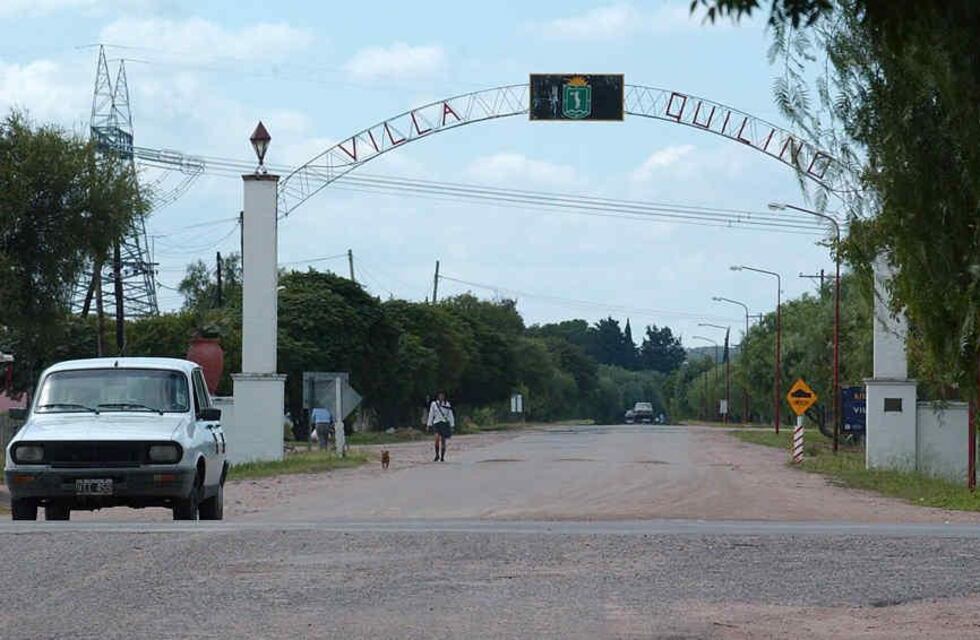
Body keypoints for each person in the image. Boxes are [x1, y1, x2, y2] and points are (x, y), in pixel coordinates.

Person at [426, 391, 455, 462]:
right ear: (438, 396)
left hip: (444, 423)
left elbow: (450, 415)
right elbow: (431, 414)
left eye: (442, 395)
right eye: (440, 395)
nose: (441, 397)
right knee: (436, 438)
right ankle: (436, 455)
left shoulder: (447, 404)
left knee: (443, 440)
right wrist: (428, 424)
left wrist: (452, 425)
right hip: (436, 423)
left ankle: (442, 456)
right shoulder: (434, 404)